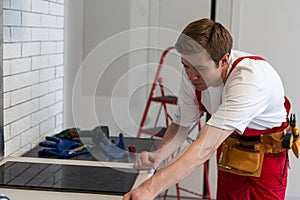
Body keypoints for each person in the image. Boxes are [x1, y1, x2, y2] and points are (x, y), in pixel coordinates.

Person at [123, 18, 290, 200]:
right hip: (229, 149)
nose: (191, 76)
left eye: (200, 68)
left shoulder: (250, 79)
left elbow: (205, 146)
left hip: (267, 155)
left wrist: (149, 190)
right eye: (186, 66)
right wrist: (159, 154)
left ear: (224, 60)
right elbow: (181, 124)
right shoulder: (192, 74)